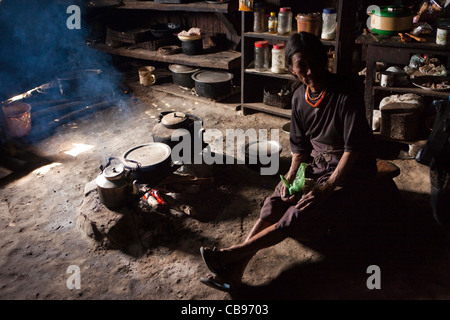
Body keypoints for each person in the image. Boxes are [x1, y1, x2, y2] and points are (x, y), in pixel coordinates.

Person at [199, 32, 377, 292]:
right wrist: (291, 176)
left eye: (315, 62)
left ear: (325, 59)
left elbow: (353, 149)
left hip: (350, 171)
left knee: (298, 212)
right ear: (291, 68)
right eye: (302, 65)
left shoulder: (345, 93)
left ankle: (232, 254)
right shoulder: (298, 99)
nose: (310, 71)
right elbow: (300, 148)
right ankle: (235, 269)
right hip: (318, 166)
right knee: (275, 202)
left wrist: (326, 189)